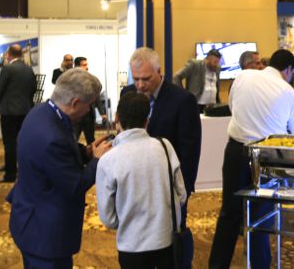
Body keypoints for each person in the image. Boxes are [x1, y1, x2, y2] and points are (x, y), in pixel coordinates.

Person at [209, 49, 294, 269]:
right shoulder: (289, 92)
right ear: (288, 70)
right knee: (260, 219)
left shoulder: (243, 76)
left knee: (229, 214)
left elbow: (233, 107)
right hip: (266, 158)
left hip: (236, 151)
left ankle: (217, 265)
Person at [7, 68, 112, 268]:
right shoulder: (52, 136)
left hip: (30, 216)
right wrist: (97, 161)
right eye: (89, 105)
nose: (89, 110)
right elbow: (75, 185)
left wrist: (86, 152)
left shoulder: (41, 112)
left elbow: (55, 158)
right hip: (45, 233)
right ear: (75, 103)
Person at [122, 47, 201, 257]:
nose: (140, 85)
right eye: (136, 79)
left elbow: (190, 150)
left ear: (159, 72)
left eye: (146, 79)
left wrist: (184, 190)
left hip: (169, 187)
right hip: (135, 184)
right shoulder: (127, 94)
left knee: (171, 245)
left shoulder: (182, 100)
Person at [96, 92, 187, 269]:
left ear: (117, 118)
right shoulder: (165, 146)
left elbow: (108, 218)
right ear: (147, 121)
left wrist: (128, 221)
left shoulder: (108, 160)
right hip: (165, 240)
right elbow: (181, 195)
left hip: (131, 245)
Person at [0, 44, 36, 182]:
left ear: (9, 54)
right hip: (25, 111)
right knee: (22, 141)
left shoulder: (7, 68)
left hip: (9, 112)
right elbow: (33, 89)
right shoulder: (29, 69)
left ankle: (10, 174)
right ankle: (21, 170)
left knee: (9, 143)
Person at [72, 56, 107, 145]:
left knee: (91, 140)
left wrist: (102, 113)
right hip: (75, 114)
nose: (87, 67)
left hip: (89, 114)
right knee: (73, 138)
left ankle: (91, 154)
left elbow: (97, 97)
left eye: (86, 65)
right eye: (84, 65)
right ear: (77, 66)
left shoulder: (91, 79)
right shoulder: (70, 79)